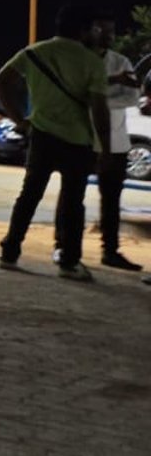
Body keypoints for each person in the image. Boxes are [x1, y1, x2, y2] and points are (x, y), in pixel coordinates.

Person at [0, 5, 114, 281]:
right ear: (83, 31)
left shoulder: (35, 52)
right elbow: (99, 108)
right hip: (77, 141)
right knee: (73, 202)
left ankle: (10, 251)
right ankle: (69, 262)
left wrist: (20, 120)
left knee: (29, 195)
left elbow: (0, 82)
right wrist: (105, 147)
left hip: (42, 135)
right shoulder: (91, 62)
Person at [90, 17, 143, 271]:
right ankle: (63, 246)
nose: (109, 35)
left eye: (112, 31)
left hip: (115, 137)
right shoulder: (80, 59)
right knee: (72, 191)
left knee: (111, 196)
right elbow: (80, 91)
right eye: (103, 29)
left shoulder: (120, 61)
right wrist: (113, 83)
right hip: (82, 135)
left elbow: (133, 96)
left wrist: (99, 103)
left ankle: (110, 250)